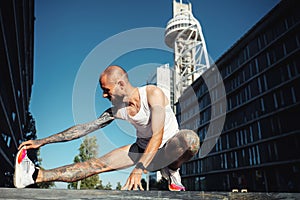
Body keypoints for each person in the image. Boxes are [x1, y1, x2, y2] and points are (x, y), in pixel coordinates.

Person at [14, 65, 200, 191]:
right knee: (95, 165)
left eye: (106, 90)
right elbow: (83, 129)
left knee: (190, 140)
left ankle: (172, 171)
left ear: (120, 84)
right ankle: (34, 175)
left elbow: (158, 135)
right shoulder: (117, 111)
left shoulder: (153, 94)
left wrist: (139, 169)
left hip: (169, 147)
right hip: (142, 149)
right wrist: (43, 142)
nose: (104, 95)